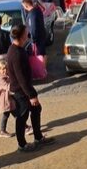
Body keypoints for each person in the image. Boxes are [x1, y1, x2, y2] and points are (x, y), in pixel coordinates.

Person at [7, 24, 54, 152]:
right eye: (26, 32)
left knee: (36, 109)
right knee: (22, 116)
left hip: (24, 88)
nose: (28, 34)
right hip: (20, 90)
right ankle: (22, 144)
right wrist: (31, 95)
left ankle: (38, 138)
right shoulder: (15, 53)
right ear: (21, 35)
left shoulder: (19, 49)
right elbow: (21, 77)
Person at [22, 0, 47, 66]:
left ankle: (41, 70)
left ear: (26, 5)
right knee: (42, 54)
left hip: (36, 39)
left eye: (24, 6)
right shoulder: (37, 10)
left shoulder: (32, 14)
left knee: (39, 56)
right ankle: (43, 70)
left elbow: (33, 28)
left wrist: (33, 40)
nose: (24, 8)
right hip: (41, 36)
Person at [0, 59, 14, 138]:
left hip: (7, 99)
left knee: (11, 113)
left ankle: (25, 126)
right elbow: (7, 87)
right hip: (5, 100)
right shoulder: (1, 78)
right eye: (3, 69)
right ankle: (2, 131)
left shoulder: (3, 76)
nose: (5, 70)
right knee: (9, 114)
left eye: (6, 68)